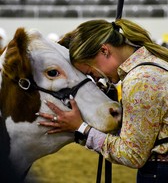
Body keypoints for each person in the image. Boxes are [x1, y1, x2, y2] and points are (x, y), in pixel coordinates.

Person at [37, 19, 168, 183]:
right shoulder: (155, 62)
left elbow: (132, 155)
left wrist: (81, 128)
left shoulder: (139, 81)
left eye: (91, 71)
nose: (96, 77)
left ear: (104, 50)